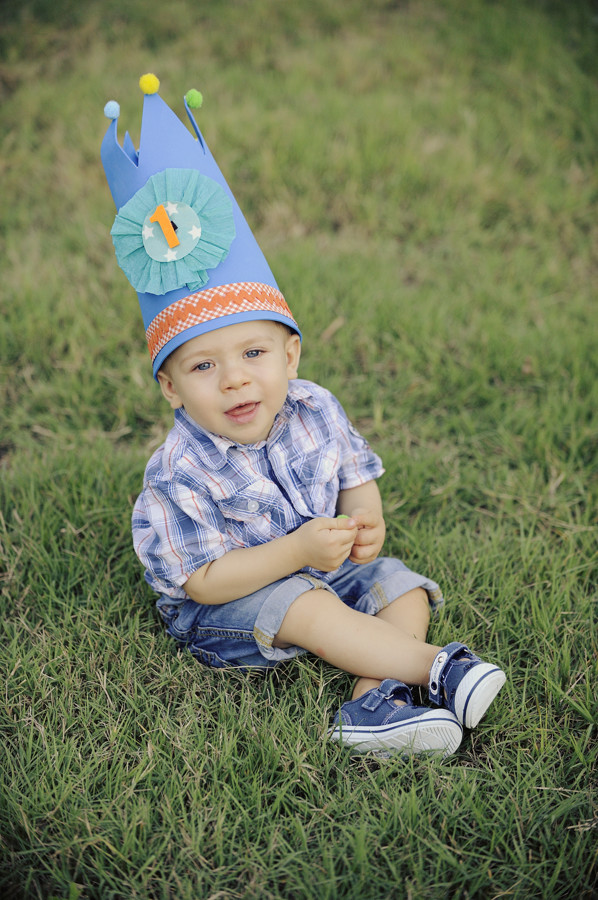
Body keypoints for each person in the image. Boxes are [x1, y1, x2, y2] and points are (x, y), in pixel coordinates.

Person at [102, 75, 505, 759]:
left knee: (399, 586)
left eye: (253, 352)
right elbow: (200, 581)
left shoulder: (314, 405)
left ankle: (372, 708)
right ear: (170, 389)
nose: (234, 377)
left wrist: (364, 508)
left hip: (319, 563)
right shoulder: (178, 471)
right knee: (309, 607)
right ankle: (437, 668)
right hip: (228, 606)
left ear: (291, 355)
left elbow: (351, 469)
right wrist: (292, 555)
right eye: (202, 367)